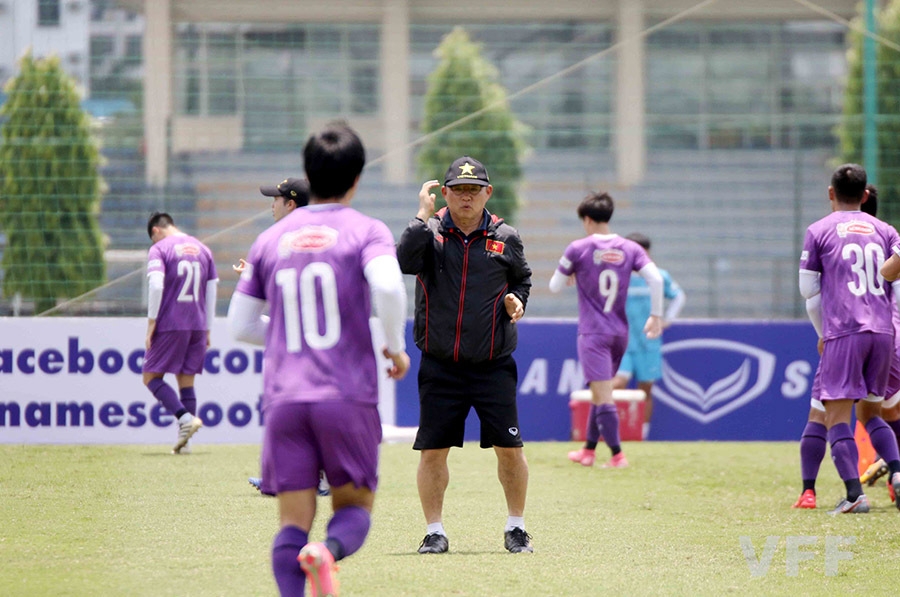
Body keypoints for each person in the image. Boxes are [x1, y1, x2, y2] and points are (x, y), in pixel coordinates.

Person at [228, 122, 410, 596]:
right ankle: (326, 553)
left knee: (291, 523)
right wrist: (394, 346)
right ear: (357, 178)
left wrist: (287, 337)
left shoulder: (270, 240)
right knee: (353, 509)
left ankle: (301, 566)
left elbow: (239, 325)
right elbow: (389, 287)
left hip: (285, 399)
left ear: (308, 173)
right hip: (345, 395)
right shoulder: (367, 230)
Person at [397, 156, 534, 554]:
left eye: (474, 190)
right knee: (433, 451)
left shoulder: (505, 237)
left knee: (511, 450)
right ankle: (435, 531)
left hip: (493, 363)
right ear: (446, 193)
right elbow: (403, 261)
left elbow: (522, 278)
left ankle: (516, 527)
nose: (466, 198)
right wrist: (421, 216)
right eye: (458, 190)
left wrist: (517, 301)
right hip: (441, 364)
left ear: (487, 193)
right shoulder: (431, 232)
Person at [799, 164, 900, 514]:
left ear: (830, 193)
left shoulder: (819, 230)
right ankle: (898, 473)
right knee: (874, 411)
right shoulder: (886, 230)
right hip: (885, 332)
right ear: (866, 195)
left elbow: (808, 291)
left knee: (836, 415)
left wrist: (823, 333)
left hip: (845, 330)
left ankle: (855, 495)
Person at [231, 177, 329, 498]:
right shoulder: (312, 237)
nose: (270, 205)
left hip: (311, 340)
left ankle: (317, 477)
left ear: (290, 203)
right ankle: (285, 476)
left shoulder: (283, 240)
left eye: (275, 200)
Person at [551, 193, 664, 470]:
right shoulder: (630, 248)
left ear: (587, 219)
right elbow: (656, 278)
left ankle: (617, 455)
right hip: (619, 333)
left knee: (603, 395)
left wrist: (572, 275)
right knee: (599, 389)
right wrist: (657, 315)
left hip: (593, 334)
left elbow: (554, 286)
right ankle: (589, 451)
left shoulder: (578, 248)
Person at [570, 232, 684, 454]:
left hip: (649, 343)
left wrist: (667, 319)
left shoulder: (658, 277)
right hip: (622, 342)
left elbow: (679, 295)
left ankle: (642, 432)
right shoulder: (619, 276)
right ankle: (600, 433)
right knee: (616, 383)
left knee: (646, 389)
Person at [142, 212, 218, 454]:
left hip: (171, 322)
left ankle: (185, 419)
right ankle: (186, 443)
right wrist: (208, 328)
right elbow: (212, 290)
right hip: (197, 323)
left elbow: (155, 284)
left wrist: (152, 321)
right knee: (186, 380)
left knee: (151, 378)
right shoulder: (203, 250)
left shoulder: (160, 249)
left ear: (155, 231)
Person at [233, 177, 310, 274]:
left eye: (276, 199)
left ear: (290, 204)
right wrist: (254, 274)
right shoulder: (314, 235)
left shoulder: (280, 240)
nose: (272, 205)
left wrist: (253, 276)